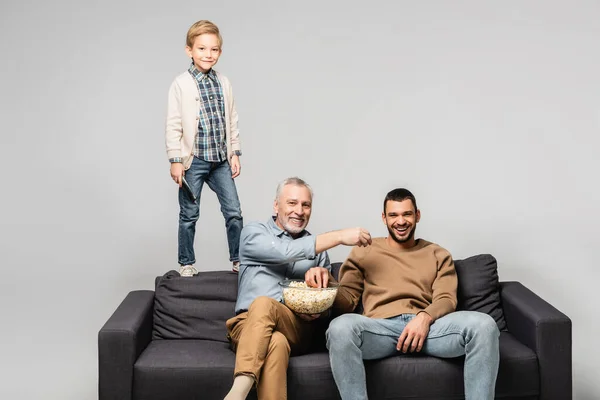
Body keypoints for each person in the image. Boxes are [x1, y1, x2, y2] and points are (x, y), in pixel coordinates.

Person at [306, 188, 500, 400]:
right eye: (393, 215)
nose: (401, 221)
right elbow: (348, 301)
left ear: (417, 215)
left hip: (431, 332)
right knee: (339, 327)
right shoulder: (364, 251)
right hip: (380, 330)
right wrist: (327, 282)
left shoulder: (438, 254)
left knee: (485, 325)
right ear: (384, 218)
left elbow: (446, 299)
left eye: (407, 214)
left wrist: (424, 318)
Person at [224, 177, 372, 400]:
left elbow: (330, 308)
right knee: (275, 342)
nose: (299, 211)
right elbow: (285, 251)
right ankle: (240, 389)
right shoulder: (253, 233)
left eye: (306, 205)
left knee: (266, 306)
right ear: (276, 205)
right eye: (292, 203)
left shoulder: (319, 251)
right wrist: (340, 236)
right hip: (247, 326)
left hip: (296, 327)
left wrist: (320, 302)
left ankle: (236, 394)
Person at [165, 20, 243, 276]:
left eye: (214, 49)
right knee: (189, 214)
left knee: (233, 212)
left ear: (220, 52)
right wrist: (175, 159)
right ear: (189, 50)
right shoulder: (181, 84)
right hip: (194, 160)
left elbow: (231, 119)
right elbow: (174, 123)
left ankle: (238, 259)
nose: (208, 54)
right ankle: (186, 262)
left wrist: (234, 152)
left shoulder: (224, 82)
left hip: (220, 160)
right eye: (201, 49)